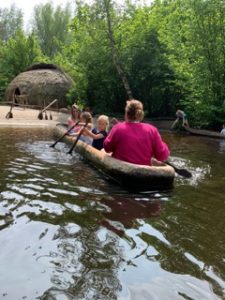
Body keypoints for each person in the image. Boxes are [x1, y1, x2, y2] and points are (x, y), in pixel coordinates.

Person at [103, 99, 170, 166]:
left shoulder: (118, 128)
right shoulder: (152, 130)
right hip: (145, 170)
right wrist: (162, 144)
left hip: (121, 168)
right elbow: (162, 155)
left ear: (126, 113)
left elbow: (107, 148)